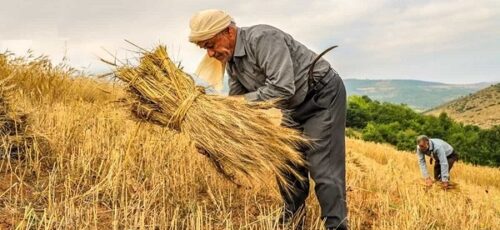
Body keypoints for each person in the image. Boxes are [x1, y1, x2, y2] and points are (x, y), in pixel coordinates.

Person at [188, 9, 348, 229]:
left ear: (228, 31)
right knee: (288, 164)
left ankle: (336, 225)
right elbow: (239, 108)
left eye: (210, 44)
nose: (210, 54)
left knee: (323, 169)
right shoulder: (233, 63)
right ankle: (293, 222)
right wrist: (215, 135)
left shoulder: (263, 39)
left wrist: (238, 104)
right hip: (292, 107)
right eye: (204, 48)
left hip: (320, 97)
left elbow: (283, 87)